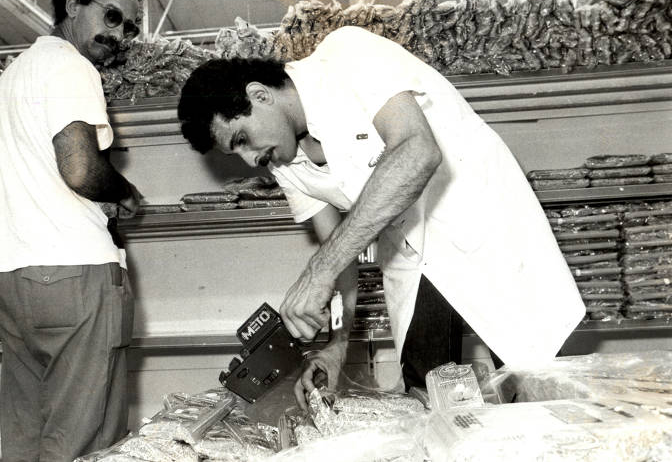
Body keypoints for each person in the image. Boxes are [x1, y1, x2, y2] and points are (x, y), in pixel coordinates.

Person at [177, 25, 586, 408]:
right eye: (237, 153)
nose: (251, 160)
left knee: (536, 388)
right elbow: (338, 253)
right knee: (431, 398)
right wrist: (338, 343)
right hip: (413, 258)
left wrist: (320, 268)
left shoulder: (345, 54)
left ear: (260, 95)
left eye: (243, 139)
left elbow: (417, 151)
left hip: (485, 229)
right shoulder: (284, 161)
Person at [0, 0, 143, 461]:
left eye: (129, 27)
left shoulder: (16, 73)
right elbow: (80, 169)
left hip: (12, 279)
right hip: (72, 273)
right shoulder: (71, 66)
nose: (119, 35)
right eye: (112, 16)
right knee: (85, 441)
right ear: (73, 6)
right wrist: (125, 191)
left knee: (28, 435)